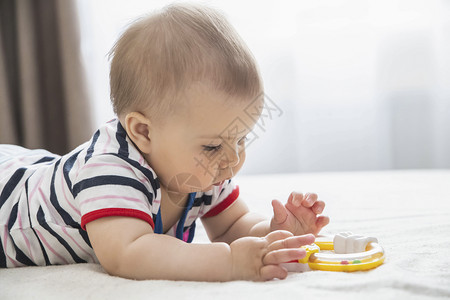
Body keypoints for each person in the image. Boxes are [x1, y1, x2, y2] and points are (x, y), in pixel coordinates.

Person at [0, 3, 329, 281]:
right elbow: (129, 253)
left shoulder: (205, 170)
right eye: (213, 146)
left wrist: (276, 233)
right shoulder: (110, 168)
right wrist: (228, 262)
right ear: (143, 132)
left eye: (241, 139)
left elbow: (232, 226)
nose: (232, 160)